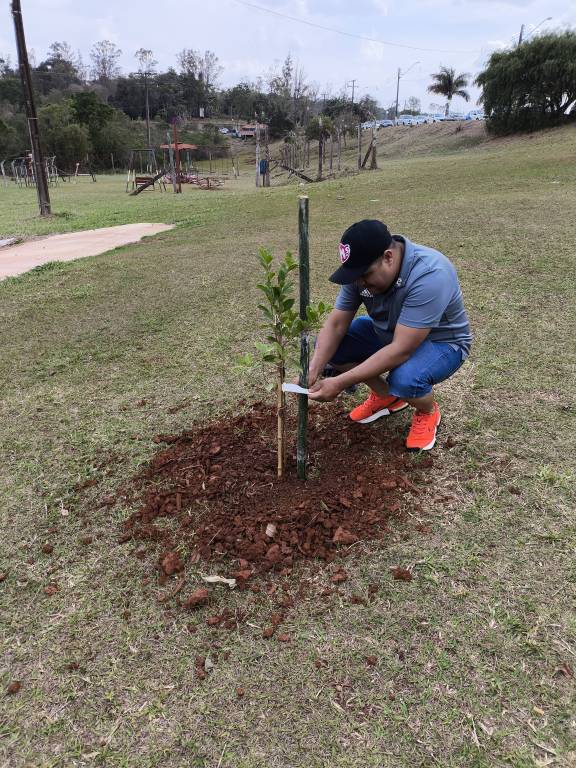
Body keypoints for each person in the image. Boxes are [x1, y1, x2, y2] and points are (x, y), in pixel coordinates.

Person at [307, 220, 472, 451]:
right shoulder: (360, 273)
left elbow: (400, 350)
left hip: (441, 343)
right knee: (332, 347)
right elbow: (335, 325)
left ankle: (427, 410)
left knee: (404, 379)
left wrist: (339, 382)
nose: (360, 283)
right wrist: (314, 368)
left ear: (388, 257)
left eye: (365, 275)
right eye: (355, 276)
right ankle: (386, 396)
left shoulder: (430, 274)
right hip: (390, 332)